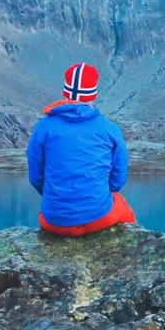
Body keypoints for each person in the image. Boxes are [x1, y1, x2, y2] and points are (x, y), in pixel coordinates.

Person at [27, 62, 136, 236]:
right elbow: (118, 180)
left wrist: (57, 199)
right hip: (100, 218)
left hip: (54, 222)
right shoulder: (110, 129)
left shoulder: (43, 127)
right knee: (122, 206)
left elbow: (35, 177)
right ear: (94, 94)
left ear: (65, 91)